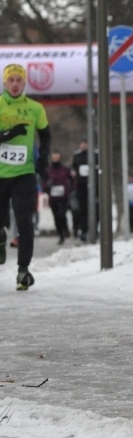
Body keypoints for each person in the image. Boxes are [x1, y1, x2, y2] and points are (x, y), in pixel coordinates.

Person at [0, 63, 50, 290]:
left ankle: (23, 270)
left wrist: (44, 159)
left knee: (25, 223)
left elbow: (45, 135)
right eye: (11, 80)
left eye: (18, 80)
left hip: (24, 173)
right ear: (4, 82)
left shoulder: (35, 108)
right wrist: (10, 132)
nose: (14, 84)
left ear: (24, 83)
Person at [71, 138, 98, 241]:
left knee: (95, 208)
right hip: (81, 186)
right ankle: (83, 230)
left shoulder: (95, 155)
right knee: (82, 210)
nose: (84, 146)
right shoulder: (77, 156)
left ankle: (94, 229)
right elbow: (73, 168)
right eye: (82, 144)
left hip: (94, 186)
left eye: (86, 144)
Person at [46, 150, 72, 245]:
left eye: (57, 157)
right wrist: (47, 186)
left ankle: (66, 230)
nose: (56, 159)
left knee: (62, 214)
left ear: (60, 157)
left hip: (63, 197)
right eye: (54, 157)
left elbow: (72, 179)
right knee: (56, 217)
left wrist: (69, 189)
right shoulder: (48, 170)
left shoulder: (65, 169)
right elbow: (44, 182)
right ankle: (61, 234)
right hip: (53, 198)